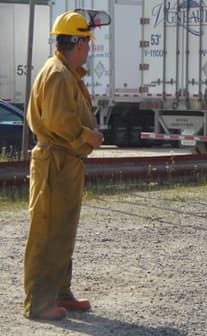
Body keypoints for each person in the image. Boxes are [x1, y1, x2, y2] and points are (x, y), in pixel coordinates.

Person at [23, 11, 105, 320]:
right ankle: (39, 303)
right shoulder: (58, 74)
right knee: (47, 232)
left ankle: (59, 292)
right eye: (86, 41)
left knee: (63, 229)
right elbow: (60, 122)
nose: (89, 48)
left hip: (63, 161)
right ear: (77, 42)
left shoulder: (65, 71)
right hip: (55, 161)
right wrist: (90, 136)